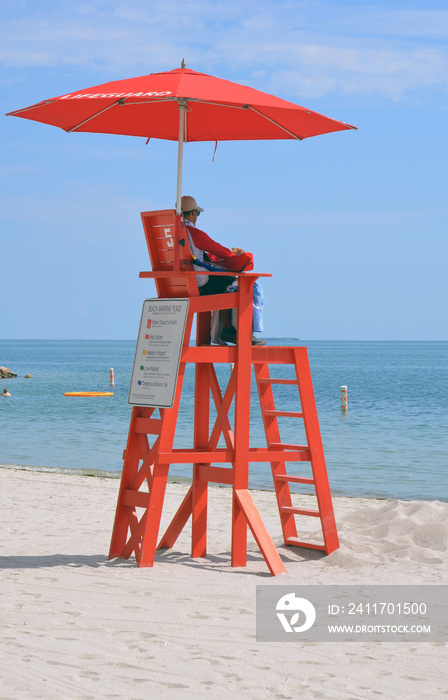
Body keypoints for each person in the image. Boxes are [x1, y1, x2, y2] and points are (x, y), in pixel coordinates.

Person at [181, 196, 266, 346]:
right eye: (197, 214)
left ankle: (227, 329)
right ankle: (238, 331)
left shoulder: (175, 234)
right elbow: (223, 252)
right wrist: (236, 254)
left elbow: (200, 256)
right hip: (200, 284)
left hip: (178, 283)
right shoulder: (194, 233)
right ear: (193, 213)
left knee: (226, 283)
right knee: (242, 284)